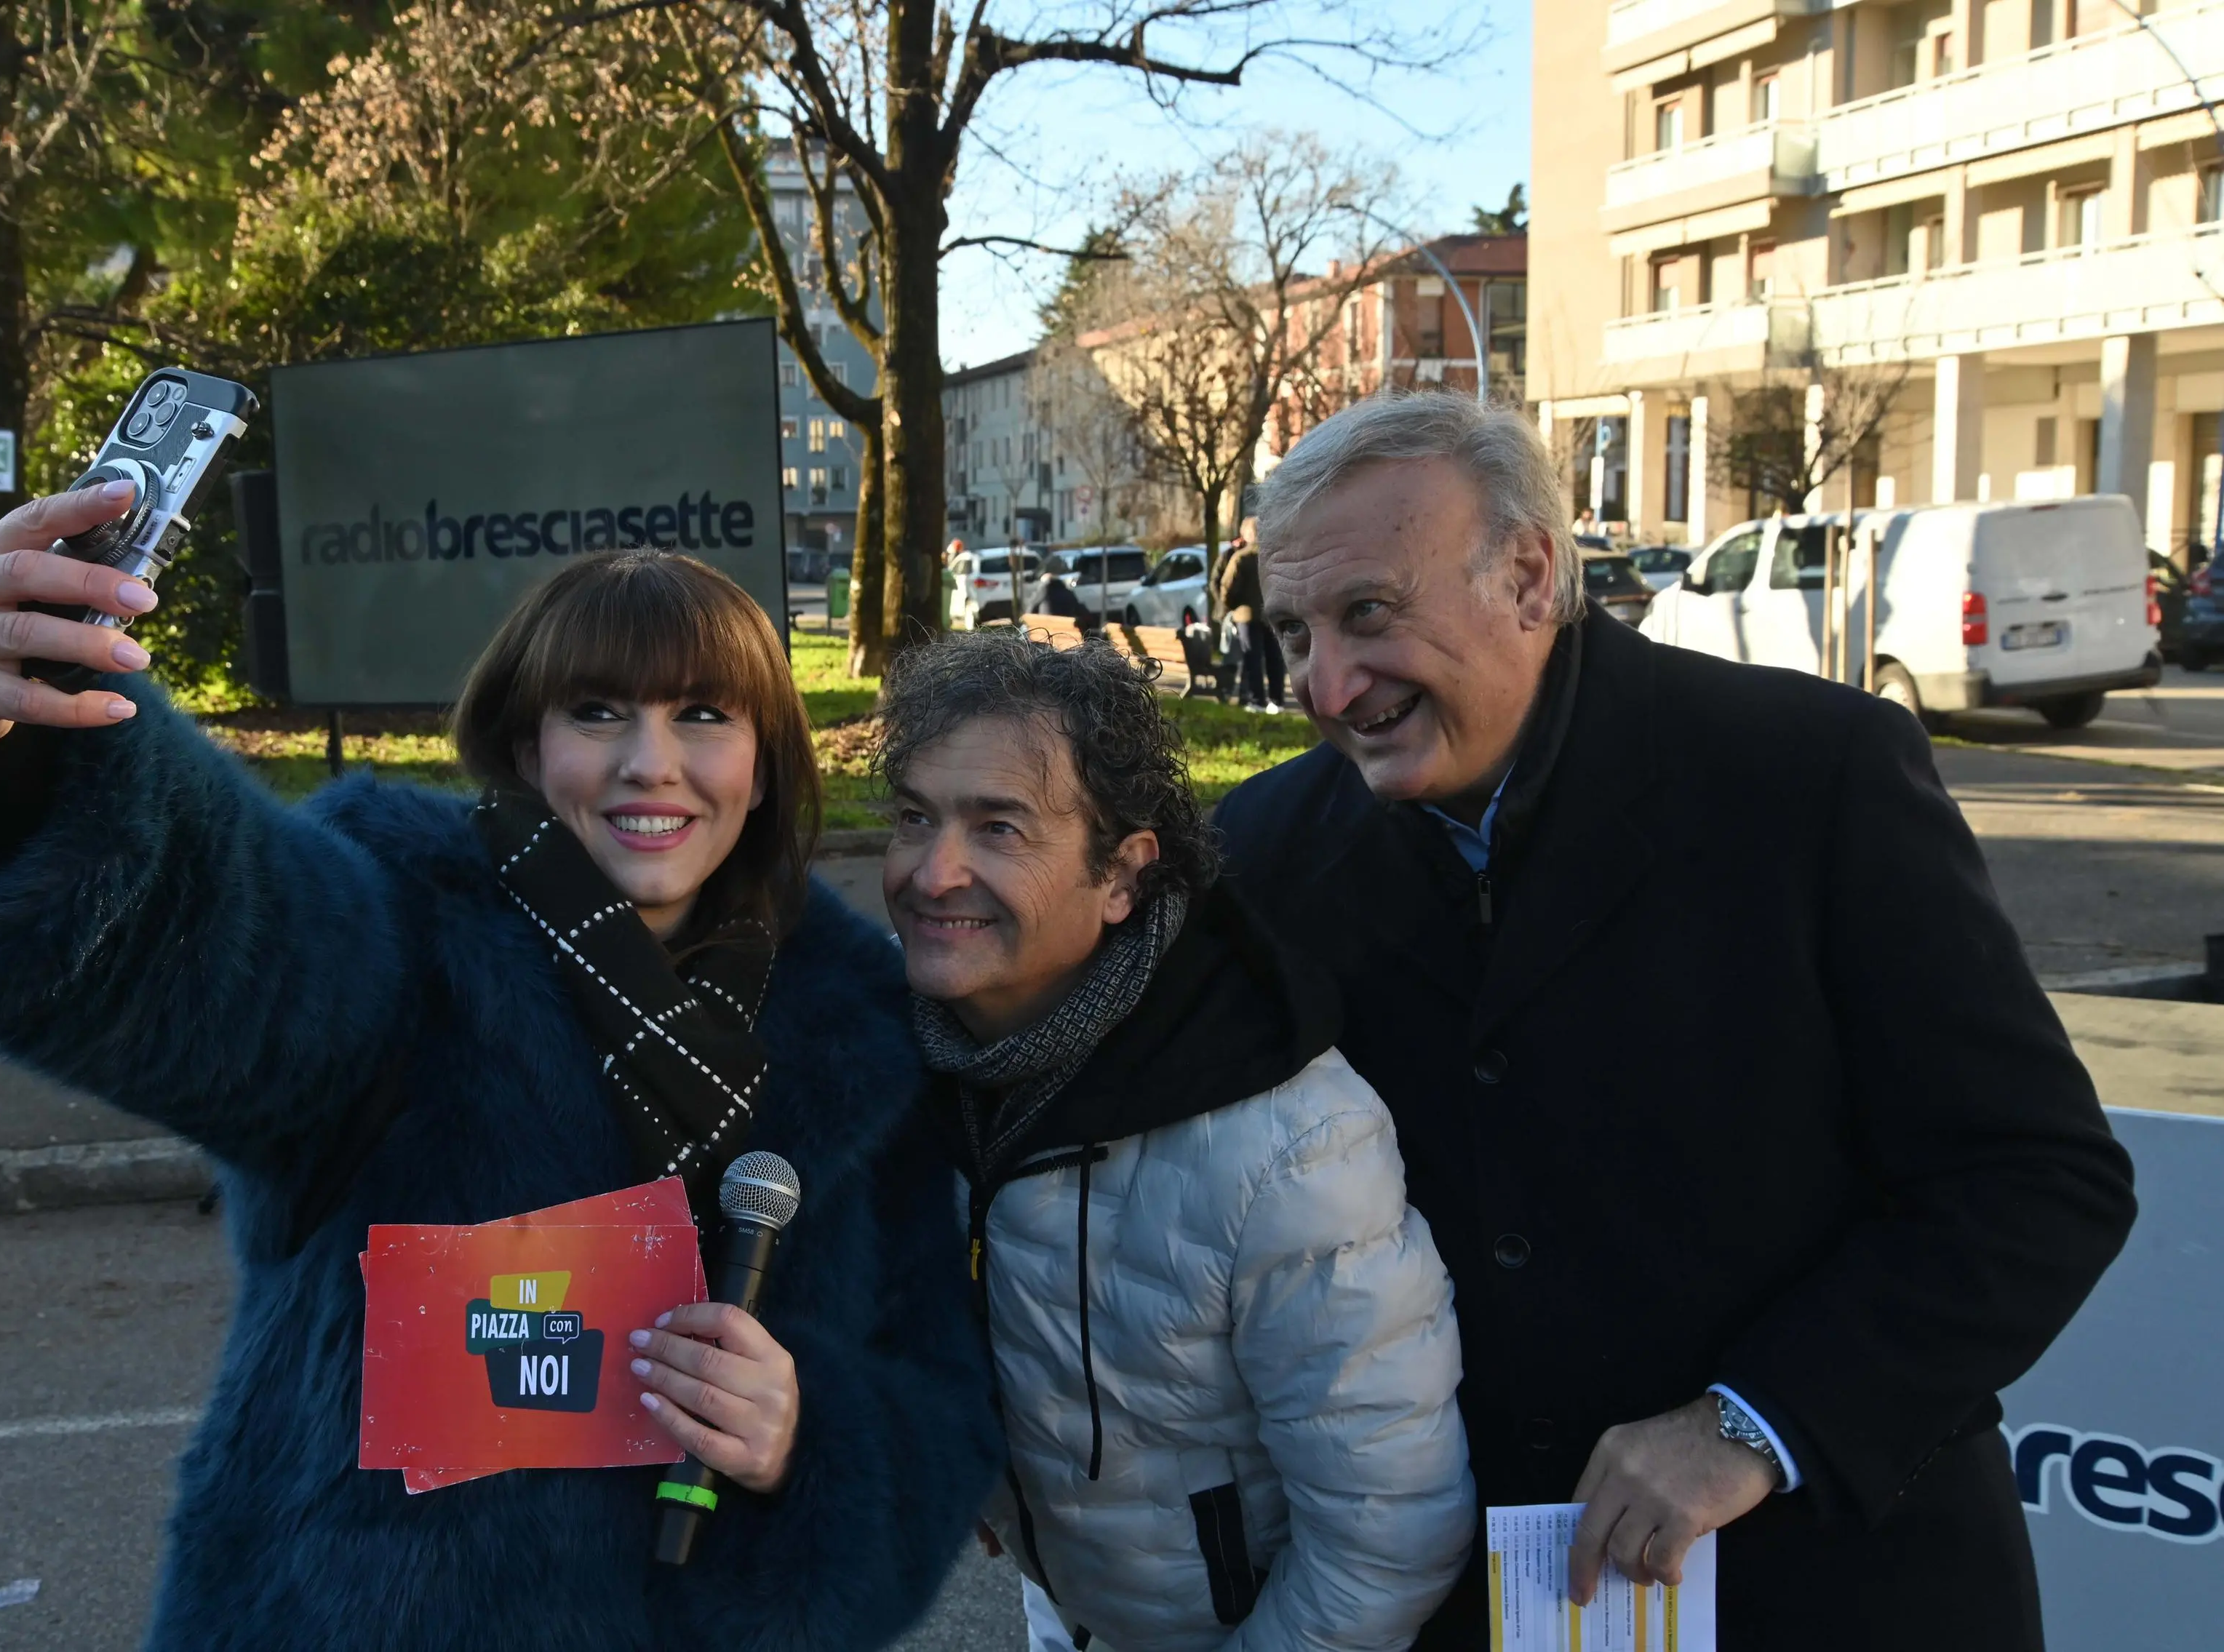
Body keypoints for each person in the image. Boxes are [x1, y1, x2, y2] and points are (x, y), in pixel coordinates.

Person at [0, 487, 1001, 1651]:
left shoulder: (859, 1032)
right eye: (596, 711)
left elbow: (935, 1410)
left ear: (764, 756)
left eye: (703, 714)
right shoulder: (403, 928)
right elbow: (188, 933)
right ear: (526, 742)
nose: (652, 763)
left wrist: (804, 1437)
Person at [1213, 391, 2137, 1650]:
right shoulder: (1261, 851)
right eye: (1290, 630)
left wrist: (1748, 1424)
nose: (1324, 684)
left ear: (1529, 574)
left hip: (1828, 1591)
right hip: (1458, 1604)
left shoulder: (1809, 776)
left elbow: (2035, 1179)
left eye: (1366, 613)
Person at [877, 629, 1475, 1652]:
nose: (935, 872)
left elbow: (1387, 1534)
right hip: (1067, 1608)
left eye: (998, 826)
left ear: (1121, 874)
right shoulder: (918, 1063)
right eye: (913, 816)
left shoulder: (1286, 1143)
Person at [1213, 524, 1285, 713]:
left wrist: (1232, 606)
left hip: (1246, 615)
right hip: (1271, 613)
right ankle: (1277, 700)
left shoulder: (1241, 558)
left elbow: (1227, 586)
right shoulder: (1274, 557)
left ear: (1248, 534)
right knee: (1274, 658)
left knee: (1252, 658)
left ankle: (1256, 700)